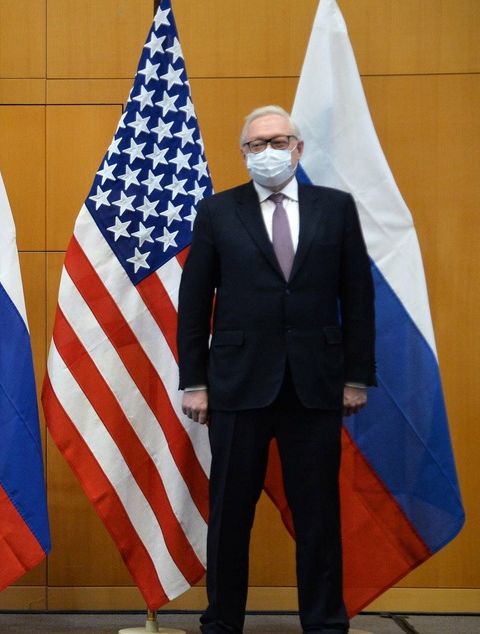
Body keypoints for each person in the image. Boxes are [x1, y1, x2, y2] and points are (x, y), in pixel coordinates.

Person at [177, 106, 376, 634]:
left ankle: (326, 624)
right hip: (237, 385)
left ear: (299, 148)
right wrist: (194, 382)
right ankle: (221, 623)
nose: (268, 152)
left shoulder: (335, 209)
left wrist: (356, 376)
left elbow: (357, 298)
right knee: (229, 517)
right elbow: (194, 303)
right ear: (243, 155)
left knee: (318, 517)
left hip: (315, 384)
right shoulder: (218, 212)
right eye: (256, 145)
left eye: (278, 141)